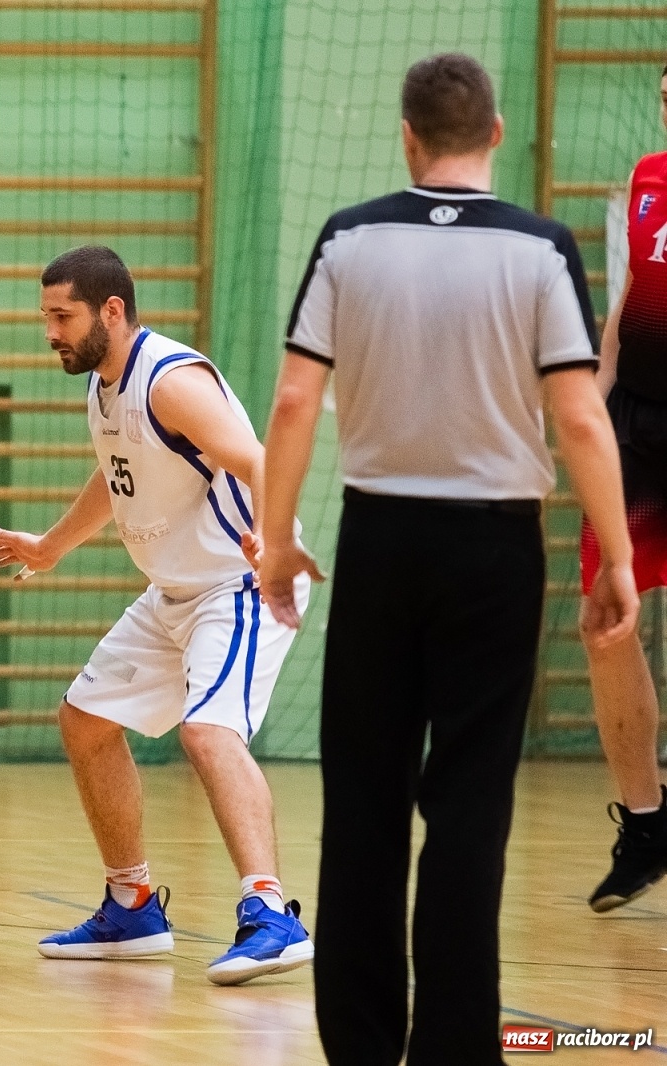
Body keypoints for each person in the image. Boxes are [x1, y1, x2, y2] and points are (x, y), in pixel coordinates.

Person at [258, 54, 637, 1065]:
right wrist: (616, 561)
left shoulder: (349, 236)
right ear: (495, 134)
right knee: (469, 807)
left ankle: (361, 1043)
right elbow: (578, 417)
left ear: (406, 135)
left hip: (379, 537)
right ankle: (457, 1047)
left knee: (364, 802)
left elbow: (294, 401)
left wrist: (274, 537)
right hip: (494, 549)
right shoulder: (539, 247)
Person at [0, 245, 314, 987]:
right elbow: (118, 475)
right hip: (173, 594)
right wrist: (51, 547)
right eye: (45, 318)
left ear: (111, 311)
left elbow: (256, 458)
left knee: (208, 730)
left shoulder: (170, 380)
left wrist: (278, 534)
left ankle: (271, 914)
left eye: (60, 316)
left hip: (238, 586)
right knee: (85, 720)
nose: (50, 333)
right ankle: (131, 905)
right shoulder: (105, 389)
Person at [576, 63, 667, 913]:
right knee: (605, 620)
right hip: (638, 423)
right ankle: (647, 823)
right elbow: (633, 296)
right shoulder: (648, 178)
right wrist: (593, 402)